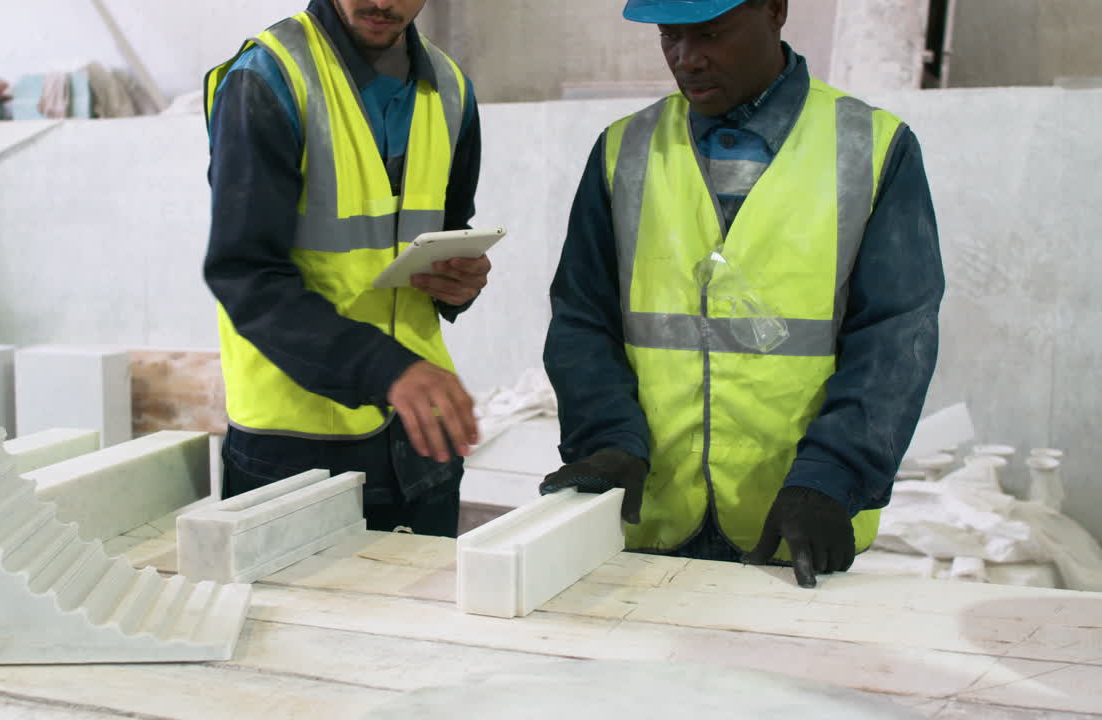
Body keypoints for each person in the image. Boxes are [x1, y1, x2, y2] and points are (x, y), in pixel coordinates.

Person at [541, 0, 944, 587]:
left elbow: (895, 337)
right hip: (650, 517)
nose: (687, 59)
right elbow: (582, 316)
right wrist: (607, 437)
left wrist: (833, 474)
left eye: (709, 33)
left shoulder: (873, 148)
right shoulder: (624, 150)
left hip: (795, 525)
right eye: (669, 35)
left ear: (776, 10)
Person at [203, 0, 489, 537]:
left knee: (421, 620)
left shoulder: (451, 89)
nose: (382, 1)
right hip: (291, 450)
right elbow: (245, 276)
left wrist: (460, 283)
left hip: (417, 441)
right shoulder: (267, 79)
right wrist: (386, 369)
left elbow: (447, 229)